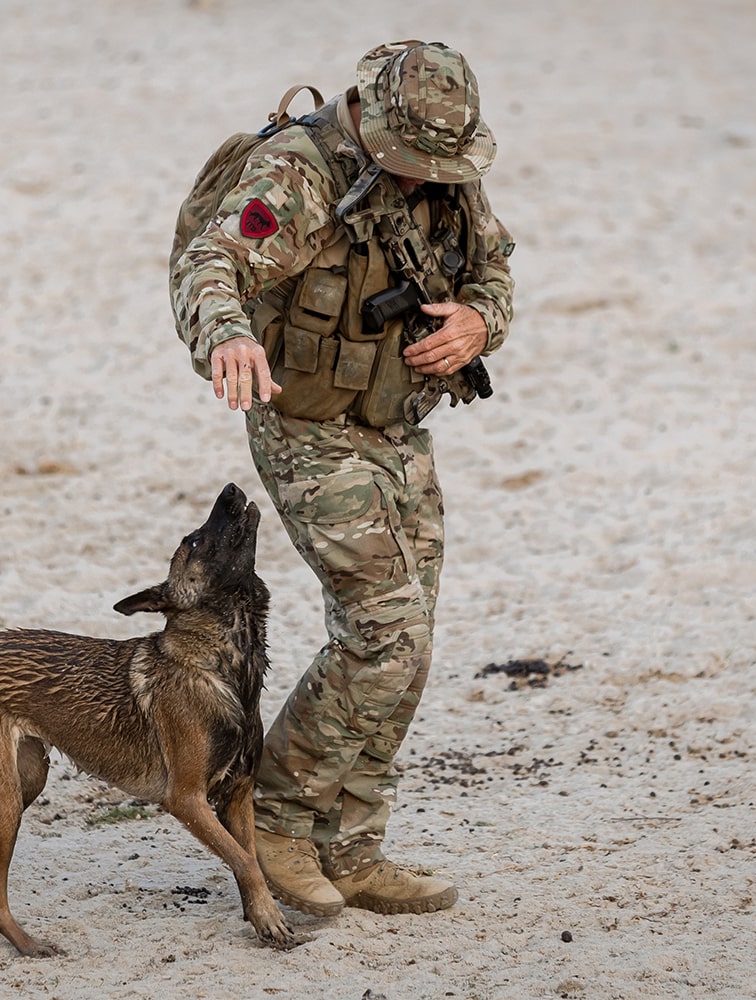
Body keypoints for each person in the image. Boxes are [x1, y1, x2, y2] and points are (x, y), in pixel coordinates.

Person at [169, 40, 514, 917]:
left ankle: (352, 848)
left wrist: (479, 322)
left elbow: (494, 270)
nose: (423, 176)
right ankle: (273, 821)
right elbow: (209, 265)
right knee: (383, 629)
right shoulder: (296, 173)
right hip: (306, 425)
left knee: (410, 641)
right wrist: (229, 337)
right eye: (409, 159)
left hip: (397, 422)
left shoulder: (441, 161)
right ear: (370, 115)